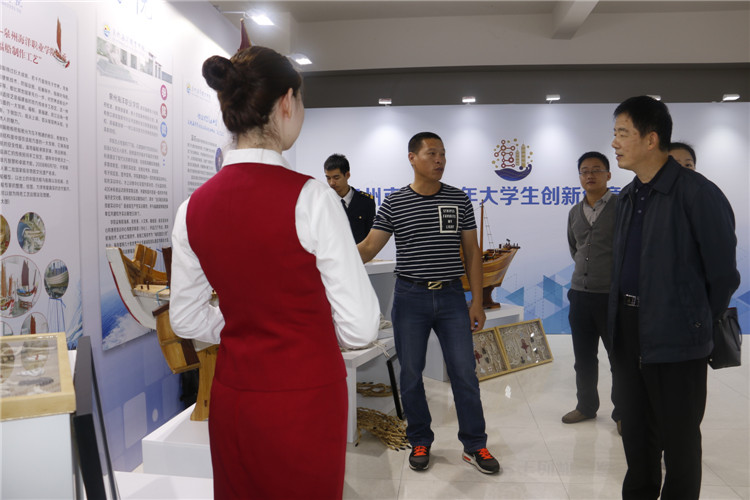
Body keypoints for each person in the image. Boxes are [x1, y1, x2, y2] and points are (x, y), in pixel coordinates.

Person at [169, 44, 380, 500]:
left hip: (234, 396)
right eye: (301, 100)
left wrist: (243, 326)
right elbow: (361, 327)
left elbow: (184, 319)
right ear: (287, 102)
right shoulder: (313, 198)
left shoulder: (192, 208)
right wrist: (301, 329)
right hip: (306, 397)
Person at [608, 96, 739, 500]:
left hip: (677, 335)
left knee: (679, 441)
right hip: (628, 330)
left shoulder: (698, 194)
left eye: (622, 133)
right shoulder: (627, 196)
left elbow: (723, 275)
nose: (614, 142)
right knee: (635, 434)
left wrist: (693, 320)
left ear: (651, 139)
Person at [357, 131, 501, 475]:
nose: (439, 160)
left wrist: (476, 301)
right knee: (410, 374)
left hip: (451, 298)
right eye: (432, 153)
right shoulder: (394, 202)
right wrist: (326, 260)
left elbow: (472, 252)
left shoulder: (458, 199)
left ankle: (475, 444)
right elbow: (369, 248)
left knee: (464, 372)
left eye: (443, 154)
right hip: (410, 298)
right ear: (412, 158)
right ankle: (420, 438)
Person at [562, 151, 620, 432]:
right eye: (584, 171)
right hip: (580, 295)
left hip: (611, 296)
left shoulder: (622, 207)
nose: (590, 175)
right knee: (583, 358)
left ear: (608, 174)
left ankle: (623, 413)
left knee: (618, 359)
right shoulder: (574, 212)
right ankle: (586, 406)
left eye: (596, 170)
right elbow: (575, 248)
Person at [324, 153, 376, 243]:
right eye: (328, 178)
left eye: (336, 178)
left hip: (359, 251)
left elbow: (370, 239)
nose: (332, 183)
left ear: (347, 175)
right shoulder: (323, 202)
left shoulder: (366, 202)